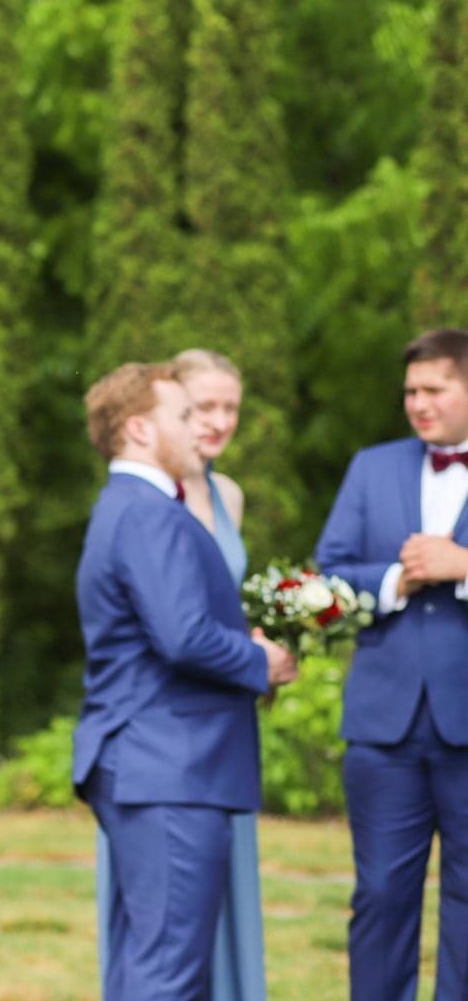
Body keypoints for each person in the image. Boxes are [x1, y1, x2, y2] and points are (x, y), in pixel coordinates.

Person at [74, 362, 297, 999]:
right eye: (183, 415)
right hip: (169, 764)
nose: (198, 428)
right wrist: (262, 662)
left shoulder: (130, 506)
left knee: (148, 964)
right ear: (140, 429)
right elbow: (183, 635)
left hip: (155, 763)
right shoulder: (149, 513)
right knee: (168, 973)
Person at [315, 328, 468, 1001]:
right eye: (410, 391)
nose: (418, 403)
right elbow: (328, 576)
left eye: (434, 389)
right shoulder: (370, 468)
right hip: (384, 728)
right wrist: (393, 582)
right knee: (379, 895)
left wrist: (462, 566)